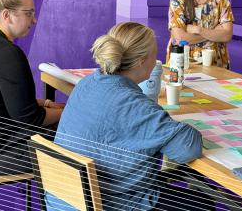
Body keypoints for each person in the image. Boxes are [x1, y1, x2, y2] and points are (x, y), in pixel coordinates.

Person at [48, 22, 209, 210]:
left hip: (62, 200)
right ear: (141, 60)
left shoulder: (88, 82)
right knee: (202, 202)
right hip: (109, 204)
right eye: (154, 53)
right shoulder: (137, 107)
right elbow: (188, 148)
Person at [0, 0, 63, 175]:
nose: (34, 20)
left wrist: (45, 103)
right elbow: (30, 119)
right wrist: (72, 112)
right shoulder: (7, 53)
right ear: (6, 15)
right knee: (82, 129)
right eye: (28, 14)